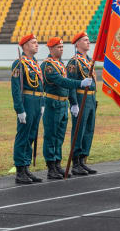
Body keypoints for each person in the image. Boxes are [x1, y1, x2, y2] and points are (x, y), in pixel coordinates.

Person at [41, 37, 92, 179]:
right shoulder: (48, 65)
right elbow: (61, 81)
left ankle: (57, 164)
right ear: (50, 49)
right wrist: (80, 83)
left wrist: (72, 101)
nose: (61, 49)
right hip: (53, 103)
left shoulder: (60, 64)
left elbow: (67, 86)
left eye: (62, 47)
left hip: (63, 104)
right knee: (51, 136)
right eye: (58, 47)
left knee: (59, 136)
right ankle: (51, 166)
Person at [11, 34, 44, 184]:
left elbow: (41, 84)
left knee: (32, 135)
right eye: (33, 43)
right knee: (23, 135)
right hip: (27, 100)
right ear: (25, 46)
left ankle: (26, 166)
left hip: (37, 100)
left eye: (37, 43)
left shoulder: (35, 63)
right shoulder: (19, 63)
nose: (37, 45)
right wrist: (19, 109)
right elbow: (16, 88)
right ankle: (19, 170)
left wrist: (42, 103)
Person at [66, 32, 98, 175]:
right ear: (77, 44)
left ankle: (83, 159)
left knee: (89, 130)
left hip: (90, 98)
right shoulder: (74, 62)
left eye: (88, 40)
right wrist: (73, 103)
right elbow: (71, 84)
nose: (88, 42)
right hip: (80, 98)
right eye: (85, 40)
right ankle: (76, 161)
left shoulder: (89, 60)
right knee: (79, 130)